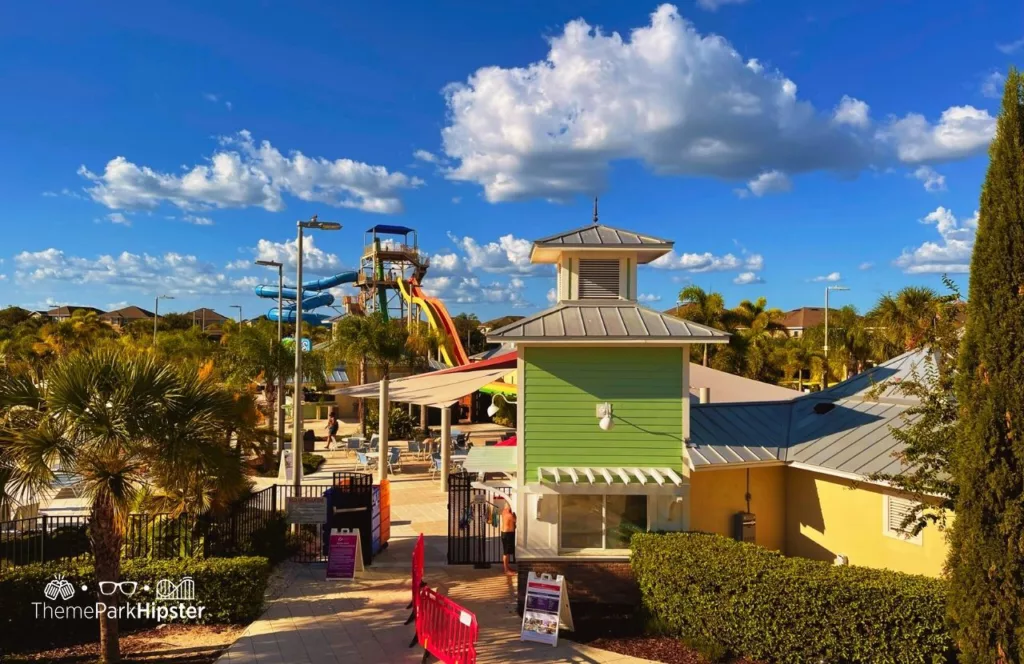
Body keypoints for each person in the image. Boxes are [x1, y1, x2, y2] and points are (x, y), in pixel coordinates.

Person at [500, 499, 517, 576]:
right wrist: (514, 516)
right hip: (507, 534)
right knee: (506, 552)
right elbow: (516, 520)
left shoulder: (504, 511)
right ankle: (506, 570)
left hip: (506, 533)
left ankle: (507, 566)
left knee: (507, 552)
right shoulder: (509, 515)